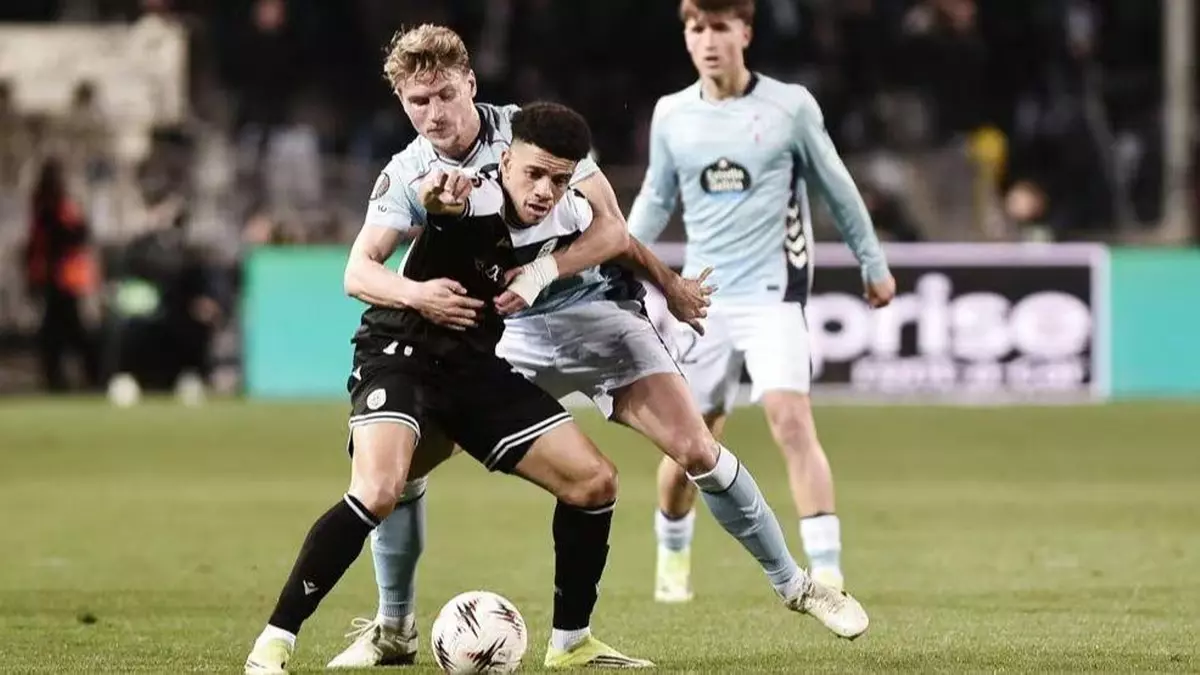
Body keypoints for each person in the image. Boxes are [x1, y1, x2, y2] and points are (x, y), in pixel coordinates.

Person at [328, 24, 868, 671]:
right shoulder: (409, 173)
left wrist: (561, 275)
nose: (435, 114)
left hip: (597, 314)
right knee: (403, 468)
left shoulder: (533, 132)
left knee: (696, 447)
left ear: (470, 83)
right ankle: (394, 628)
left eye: (446, 94)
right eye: (419, 102)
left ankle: (798, 586)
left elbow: (612, 229)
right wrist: (421, 296)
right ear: (402, 103)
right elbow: (360, 269)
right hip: (509, 335)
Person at [242, 103, 652, 674]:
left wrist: (665, 285)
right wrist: (438, 202)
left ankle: (571, 644)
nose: (543, 191)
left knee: (594, 481)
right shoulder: (473, 196)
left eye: (558, 180)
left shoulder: (568, 215)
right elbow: (442, 203)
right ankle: (275, 640)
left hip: (473, 368)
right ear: (504, 162)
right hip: (400, 353)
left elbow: (617, 237)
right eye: (533, 174)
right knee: (379, 491)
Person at [627, 0, 898, 600]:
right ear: (687, 36)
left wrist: (872, 262)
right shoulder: (672, 114)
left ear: (745, 32)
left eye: (720, 27)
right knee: (693, 442)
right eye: (697, 28)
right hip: (701, 302)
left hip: (774, 296)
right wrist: (615, 258)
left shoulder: (790, 107)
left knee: (791, 420)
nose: (708, 40)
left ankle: (827, 570)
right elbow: (656, 197)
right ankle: (673, 550)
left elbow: (837, 186)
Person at [23, 157, 101, 392]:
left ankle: (84, 376)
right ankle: (76, 377)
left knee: (65, 332)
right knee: (62, 332)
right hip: (59, 278)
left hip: (65, 279)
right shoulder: (51, 209)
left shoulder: (59, 209)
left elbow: (76, 236)